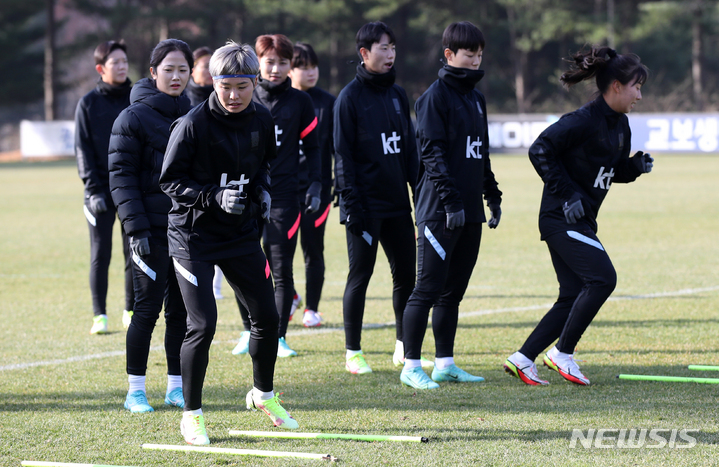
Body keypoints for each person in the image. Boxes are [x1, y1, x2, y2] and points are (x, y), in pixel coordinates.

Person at [160, 40, 299, 445]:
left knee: (268, 318)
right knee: (202, 325)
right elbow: (169, 181)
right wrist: (212, 197)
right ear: (213, 83)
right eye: (226, 87)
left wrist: (263, 191)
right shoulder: (192, 125)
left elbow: (265, 167)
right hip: (192, 237)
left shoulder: (260, 118)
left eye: (243, 86)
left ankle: (263, 395)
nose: (234, 95)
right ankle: (192, 415)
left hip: (239, 235)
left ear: (255, 83)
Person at [503, 46, 652, 386]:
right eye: (636, 87)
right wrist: (567, 194)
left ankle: (523, 359)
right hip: (560, 219)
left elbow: (610, 171)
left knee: (572, 294)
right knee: (603, 279)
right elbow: (540, 150)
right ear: (616, 85)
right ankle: (561, 354)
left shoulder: (621, 125)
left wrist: (633, 168)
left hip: (580, 221)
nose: (639, 96)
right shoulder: (582, 120)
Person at [400, 22, 502, 390]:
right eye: (468, 54)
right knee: (426, 289)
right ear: (449, 55)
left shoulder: (476, 99)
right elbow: (431, 153)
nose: (475, 61)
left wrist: (492, 194)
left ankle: (445, 363)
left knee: (453, 291)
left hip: (469, 211)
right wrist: (451, 201)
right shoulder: (433, 98)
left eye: (479, 54)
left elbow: (480, 153)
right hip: (440, 211)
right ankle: (411, 365)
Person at [108, 38, 192, 412]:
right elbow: (121, 177)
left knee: (181, 312)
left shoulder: (194, 113)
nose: (176, 76)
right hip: (149, 233)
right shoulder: (132, 117)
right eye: (168, 69)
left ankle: (176, 387)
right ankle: (135, 390)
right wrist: (135, 229)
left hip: (186, 231)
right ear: (154, 72)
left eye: (183, 69)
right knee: (146, 309)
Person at [334, 21, 421, 375]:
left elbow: (410, 153)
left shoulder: (398, 95)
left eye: (393, 48)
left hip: (397, 203)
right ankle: (353, 352)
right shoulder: (349, 99)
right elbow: (343, 156)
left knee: (406, 277)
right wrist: (351, 205)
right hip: (364, 207)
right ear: (364, 53)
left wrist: (421, 195)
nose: (390, 54)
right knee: (361, 275)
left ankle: (404, 347)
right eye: (382, 48)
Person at [250, 33, 322, 358]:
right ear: (259, 63)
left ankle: (277, 338)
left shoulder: (300, 102)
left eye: (282, 62)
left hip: (284, 201)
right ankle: (249, 329)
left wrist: (317, 185)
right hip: (246, 200)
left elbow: (314, 148)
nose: (275, 68)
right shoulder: (246, 98)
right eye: (269, 62)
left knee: (281, 272)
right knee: (247, 269)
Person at [74, 40, 135, 334]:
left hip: (132, 190)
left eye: (124, 61)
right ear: (101, 68)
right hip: (99, 192)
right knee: (101, 253)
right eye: (115, 62)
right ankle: (100, 315)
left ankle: (131, 309)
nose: (122, 66)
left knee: (134, 251)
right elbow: (82, 149)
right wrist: (93, 189)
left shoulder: (138, 97)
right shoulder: (88, 103)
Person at [288, 42, 335, 328]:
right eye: (303, 67)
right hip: (284, 191)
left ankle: (312, 309)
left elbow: (334, 147)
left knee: (313, 249)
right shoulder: (280, 101)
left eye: (313, 66)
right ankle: (291, 295)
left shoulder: (328, 102)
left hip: (318, 190)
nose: (310, 72)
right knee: (274, 247)